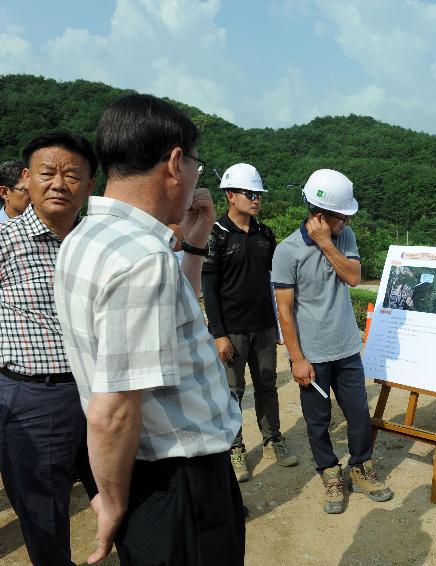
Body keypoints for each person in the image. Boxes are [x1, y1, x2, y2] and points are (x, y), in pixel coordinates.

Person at [54, 93, 244, 565]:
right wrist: (112, 504)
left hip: (147, 472)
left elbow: (164, 319)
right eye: (197, 164)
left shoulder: (85, 236)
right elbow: (113, 410)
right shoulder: (144, 258)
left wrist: (195, 245)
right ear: (176, 162)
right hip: (178, 481)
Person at [0, 132, 97, 566]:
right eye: (47, 173)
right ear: (27, 179)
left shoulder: (97, 244)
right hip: (35, 397)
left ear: (89, 186)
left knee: (122, 492)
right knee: (44, 514)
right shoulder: (6, 243)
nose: (59, 183)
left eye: (72, 174)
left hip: (101, 393)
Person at [272, 168, 392, 514]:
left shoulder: (344, 237)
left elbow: (354, 277)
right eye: (343, 215)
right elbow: (284, 309)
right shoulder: (287, 251)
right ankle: (329, 471)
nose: (348, 220)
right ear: (322, 214)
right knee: (318, 419)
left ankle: (361, 466)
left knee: (357, 413)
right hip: (313, 355)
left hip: (347, 348)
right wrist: (297, 358)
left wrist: (326, 243)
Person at [202, 162, 297, 482]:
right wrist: (219, 334)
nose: (256, 199)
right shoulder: (216, 234)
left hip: (264, 327)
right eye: (249, 193)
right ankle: (235, 447)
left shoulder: (264, 234)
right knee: (233, 391)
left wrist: (281, 326)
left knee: (268, 385)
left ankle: (273, 439)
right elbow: (209, 288)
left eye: (259, 194)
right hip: (233, 330)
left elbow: (275, 282)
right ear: (230, 195)